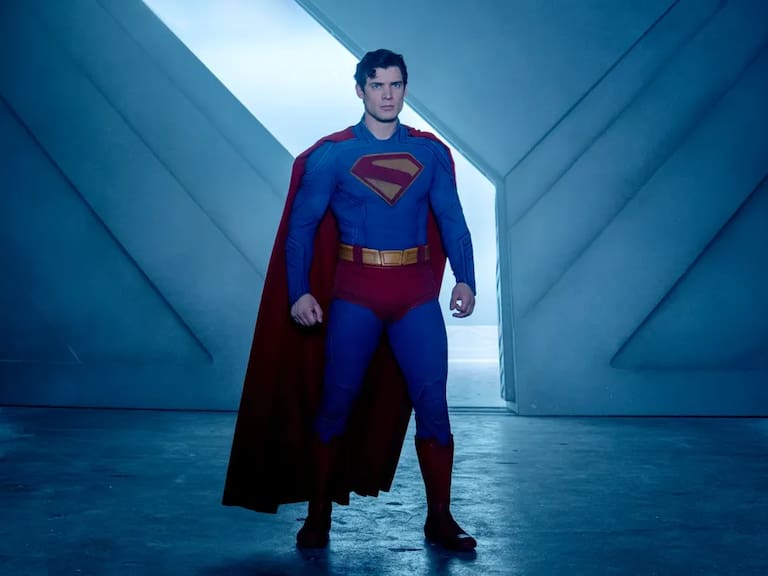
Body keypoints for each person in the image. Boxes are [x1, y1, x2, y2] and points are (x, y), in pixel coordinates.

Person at [223, 48, 477, 553]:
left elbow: (452, 219)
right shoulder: (332, 156)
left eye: (395, 85)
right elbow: (301, 230)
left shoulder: (429, 153)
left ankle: (440, 518)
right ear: (360, 89)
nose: (387, 95)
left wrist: (465, 279)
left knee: (433, 407)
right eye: (377, 85)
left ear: (405, 89)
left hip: (415, 296)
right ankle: (318, 517)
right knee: (335, 404)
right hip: (355, 295)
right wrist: (299, 291)